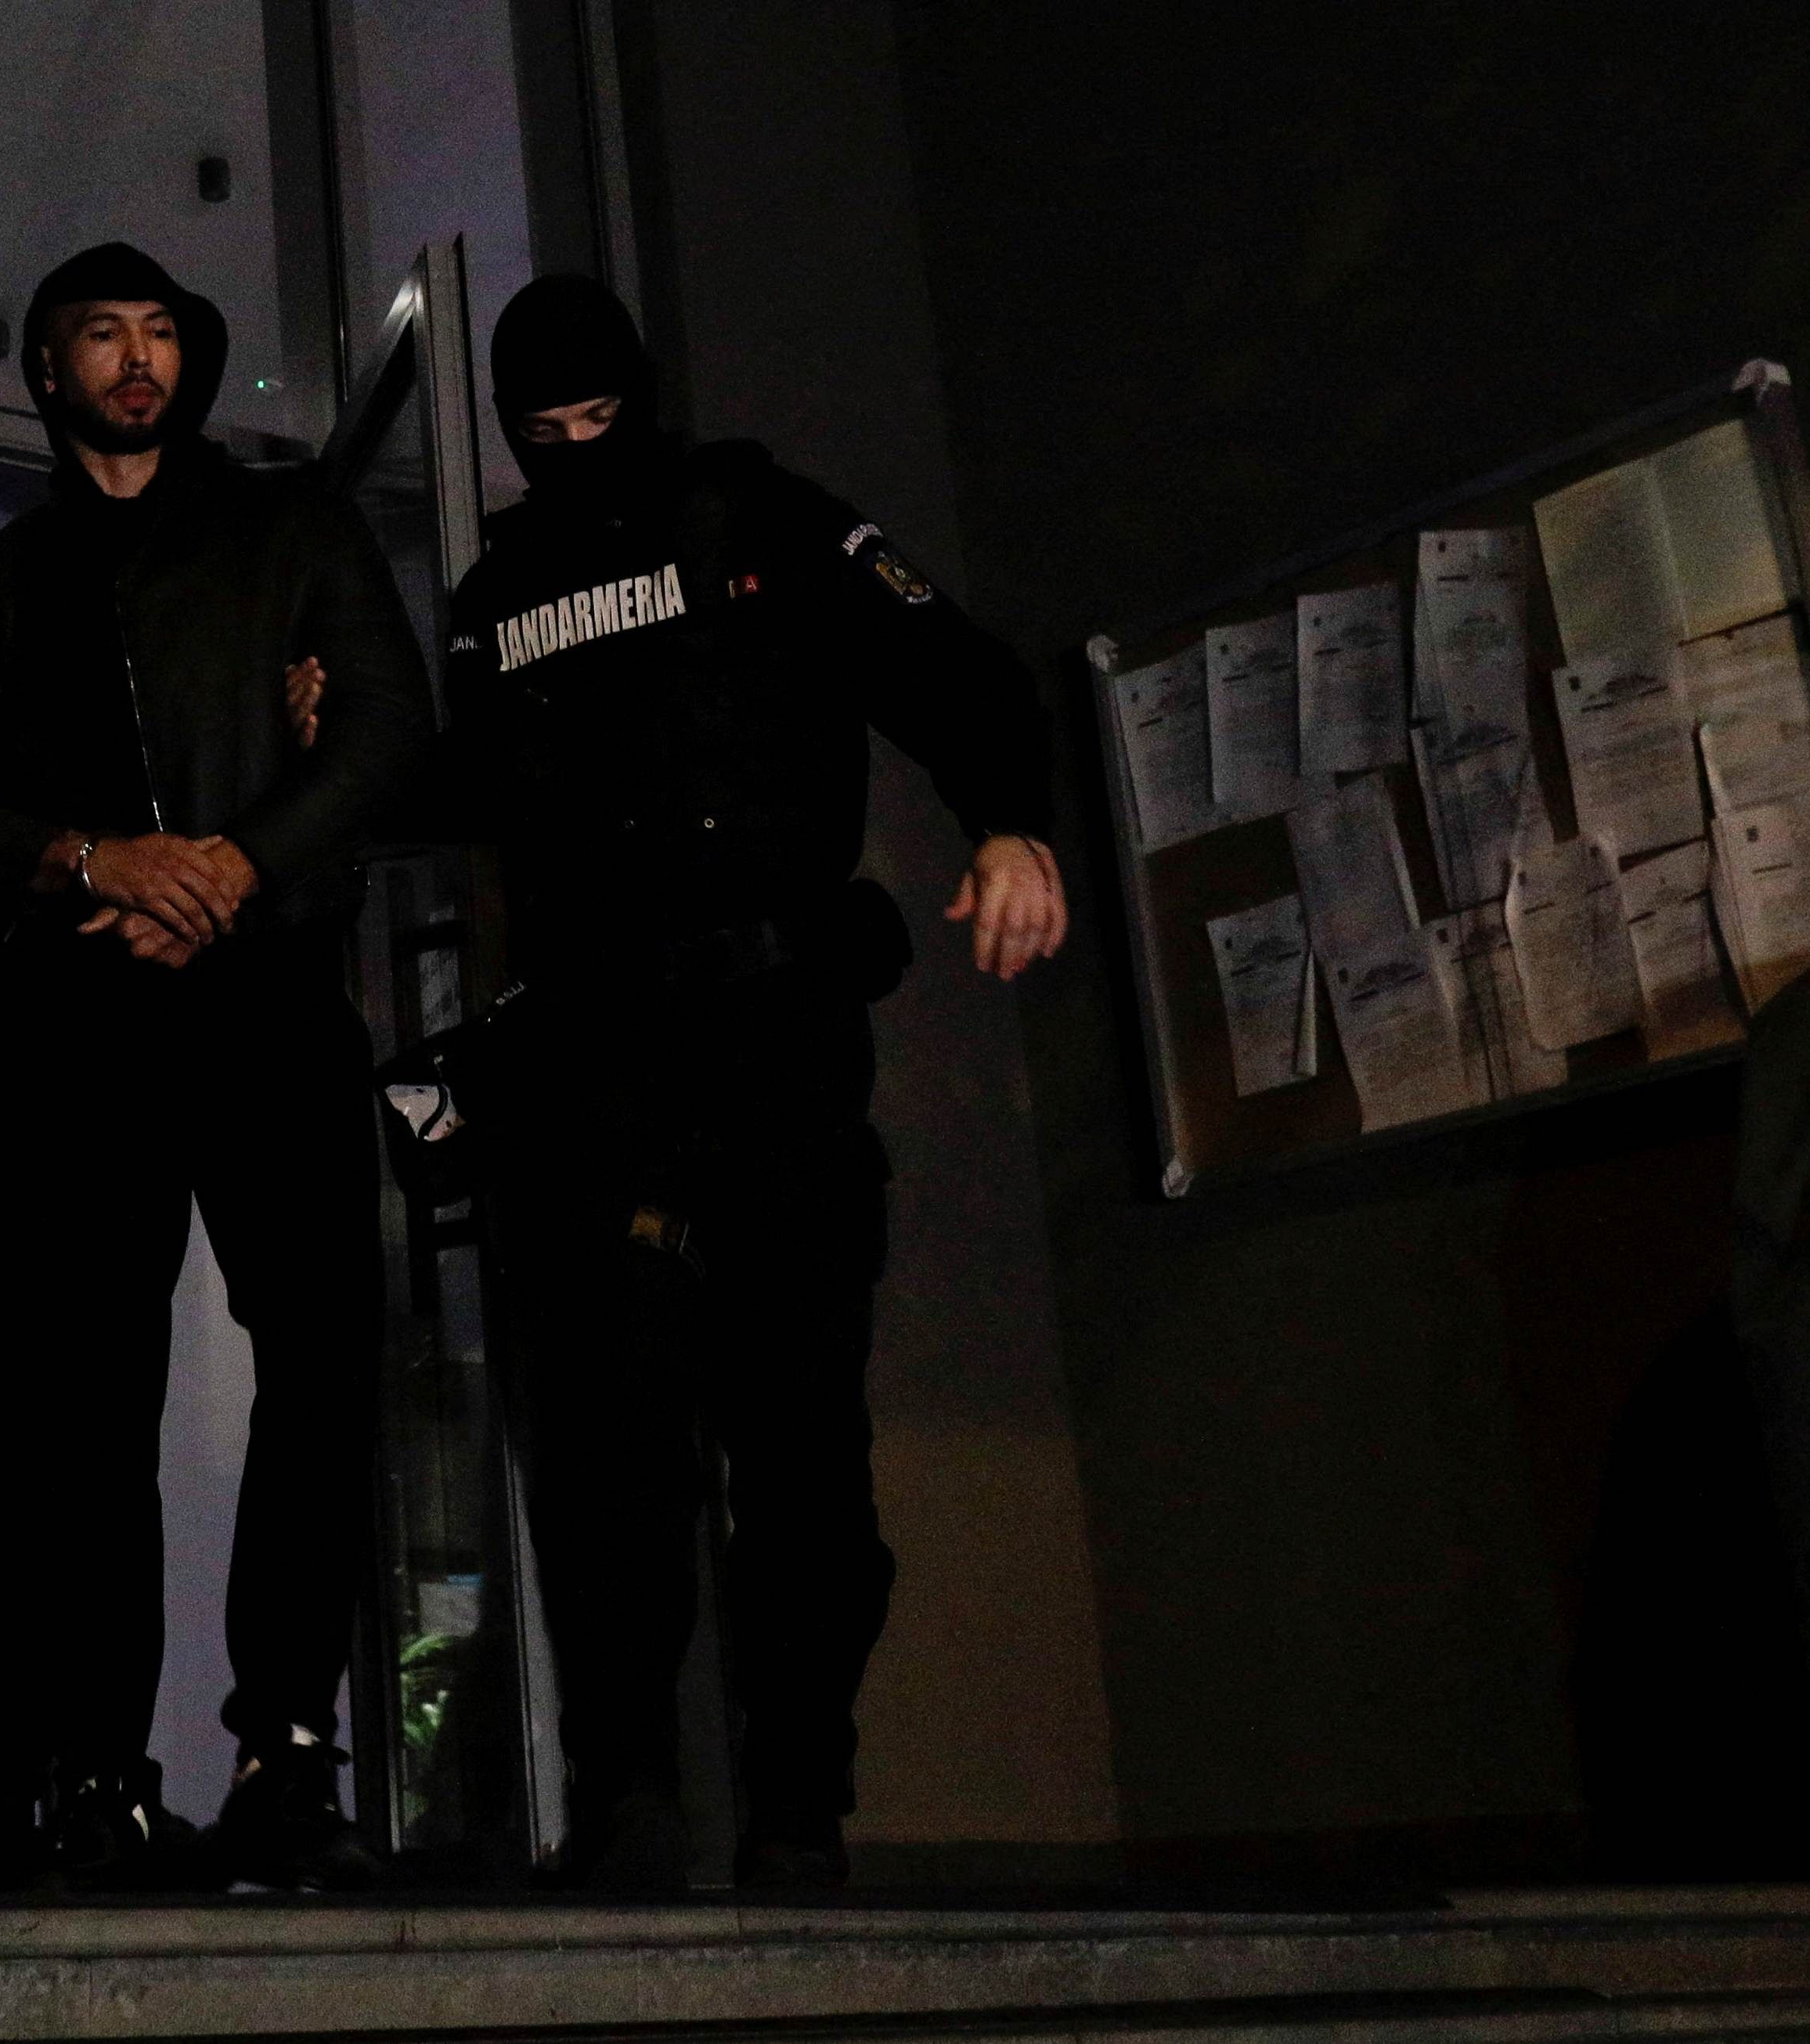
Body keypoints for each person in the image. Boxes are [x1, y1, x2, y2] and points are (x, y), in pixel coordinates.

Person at [439, 274, 1066, 1890]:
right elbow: (445, 796)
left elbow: (948, 668)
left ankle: (799, 1800)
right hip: (589, 1062)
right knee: (604, 1458)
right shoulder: (491, 597)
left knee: (797, 1447)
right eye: (543, 424)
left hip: (772, 1034)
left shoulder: (761, 519)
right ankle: (632, 1795)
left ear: (635, 395)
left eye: (596, 414)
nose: (574, 442)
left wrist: (1007, 818)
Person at [0, 241, 431, 1891]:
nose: (135, 360)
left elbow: (388, 735)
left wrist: (229, 872)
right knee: (85, 1411)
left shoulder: (289, 529)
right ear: (47, 370)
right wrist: (88, 861)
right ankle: (100, 1779)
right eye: (97, 338)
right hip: (76, 1038)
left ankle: (284, 1754)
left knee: (327, 1368)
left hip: (268, 1002)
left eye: (156, 335)